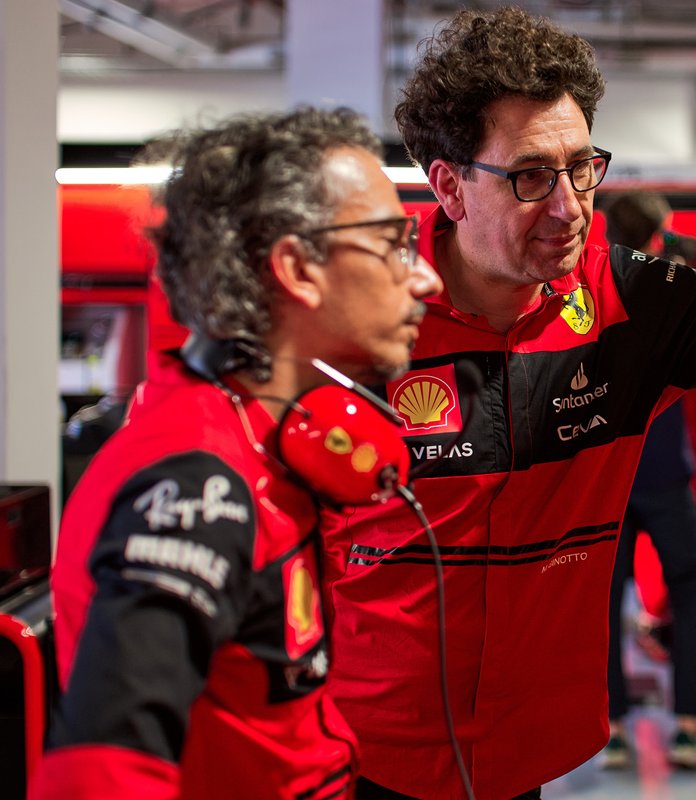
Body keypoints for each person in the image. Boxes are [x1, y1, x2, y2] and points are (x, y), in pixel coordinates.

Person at [316, 6, 696, 798]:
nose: (571, 206)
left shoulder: (630, 301)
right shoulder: (362, 309)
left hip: (523, 760)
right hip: (355, 754)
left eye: (582, 167)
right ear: (449, 187)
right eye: (532, 176)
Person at [31, 106, 442, 799]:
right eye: (394, 241)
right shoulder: (199, 484)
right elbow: (98, 771)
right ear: (298, 269)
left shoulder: (258, 440)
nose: (424, 276)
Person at [600, 191, 696, 770]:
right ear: (658, 233)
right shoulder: (678, 293)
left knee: (603, 607)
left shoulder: (589, 295)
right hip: (669, 476)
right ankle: (690, 726)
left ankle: (614, 730)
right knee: (689, 602)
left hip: (611, 484)